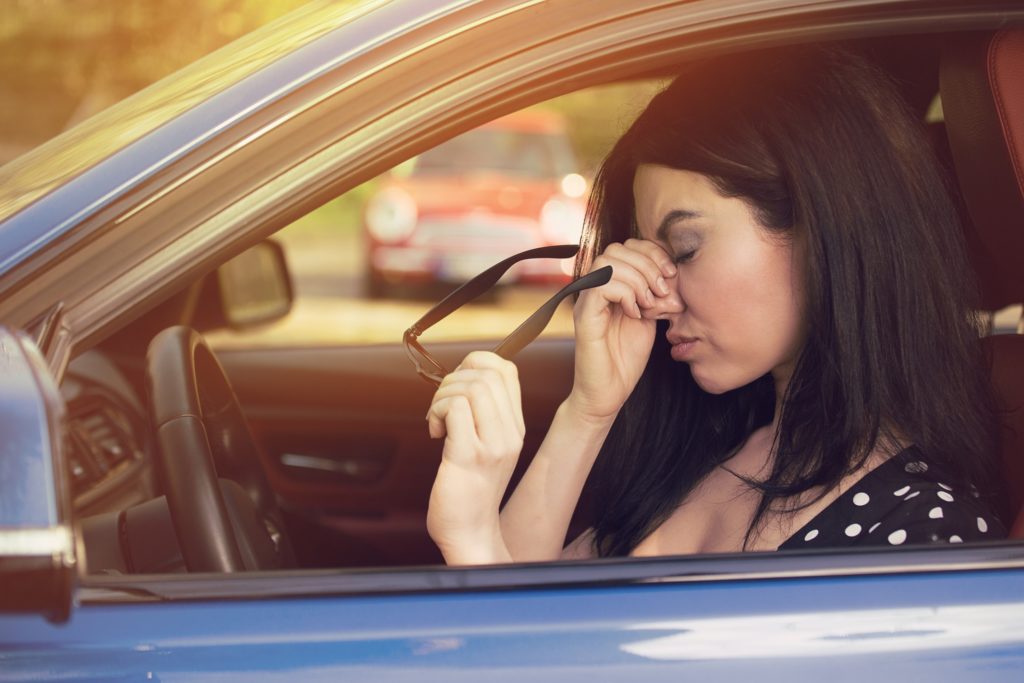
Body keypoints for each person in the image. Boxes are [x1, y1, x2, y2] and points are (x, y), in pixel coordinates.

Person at [423, 44, 1007, 565]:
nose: (657, 293)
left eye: (686, 248)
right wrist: (588, 413)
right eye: (651, 255)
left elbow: (512, 647)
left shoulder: (926, 534)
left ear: (822, 231)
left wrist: (473, 543)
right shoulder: (709, 443)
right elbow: (533, 616)